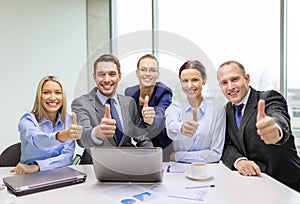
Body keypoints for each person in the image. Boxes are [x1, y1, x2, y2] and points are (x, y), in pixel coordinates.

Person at [217, 60, 300, 192]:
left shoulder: (268, 98)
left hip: (288, 185)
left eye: (235, 79)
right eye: (224, 83)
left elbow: (278, 116)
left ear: (247, 78)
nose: (230, 87)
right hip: (256, 186)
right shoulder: (225, 111)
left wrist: (275, 130)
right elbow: (226, 145)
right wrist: (239, 161)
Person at [71, 54, 153, 164]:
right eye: (101, 74)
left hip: (127, 165)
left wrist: (152, 158)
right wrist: (96, 133)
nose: (106, 79)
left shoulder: (129, 103)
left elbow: (141, 137)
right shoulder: (81, 103)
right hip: (95, 167)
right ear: (94, 77)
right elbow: (82, 138)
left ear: (119, 76)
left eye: (112, 74)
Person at [10, 76, 83, 175]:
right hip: (29, 175)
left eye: (58, 93)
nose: (53, 98)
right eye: (46, 92)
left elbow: (66, 157)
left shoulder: (69, 120)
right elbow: (38, 140)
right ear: (39, 96)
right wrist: (62, 136)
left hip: (58, 174)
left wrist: (37, 167)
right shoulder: (27, 120)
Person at [165, 60, 226, 163]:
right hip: (180, 172)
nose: (189, 85)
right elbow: (171, 128)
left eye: (195, 80)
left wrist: (179, 156)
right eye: (185, 81)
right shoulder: (174, 108)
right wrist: (182, 128)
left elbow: (215, 153)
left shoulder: (217, 112)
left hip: (209, 170)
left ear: (204, 80)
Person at [124, 54, 173, 159]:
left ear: (157, 74)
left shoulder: (164, 92)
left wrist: (153, 119)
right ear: (137, 73)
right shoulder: (129, 92)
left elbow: (161, 114)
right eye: (143, 70)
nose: (147, 74)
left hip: (163, 148)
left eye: (152, 70)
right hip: (142, 147)